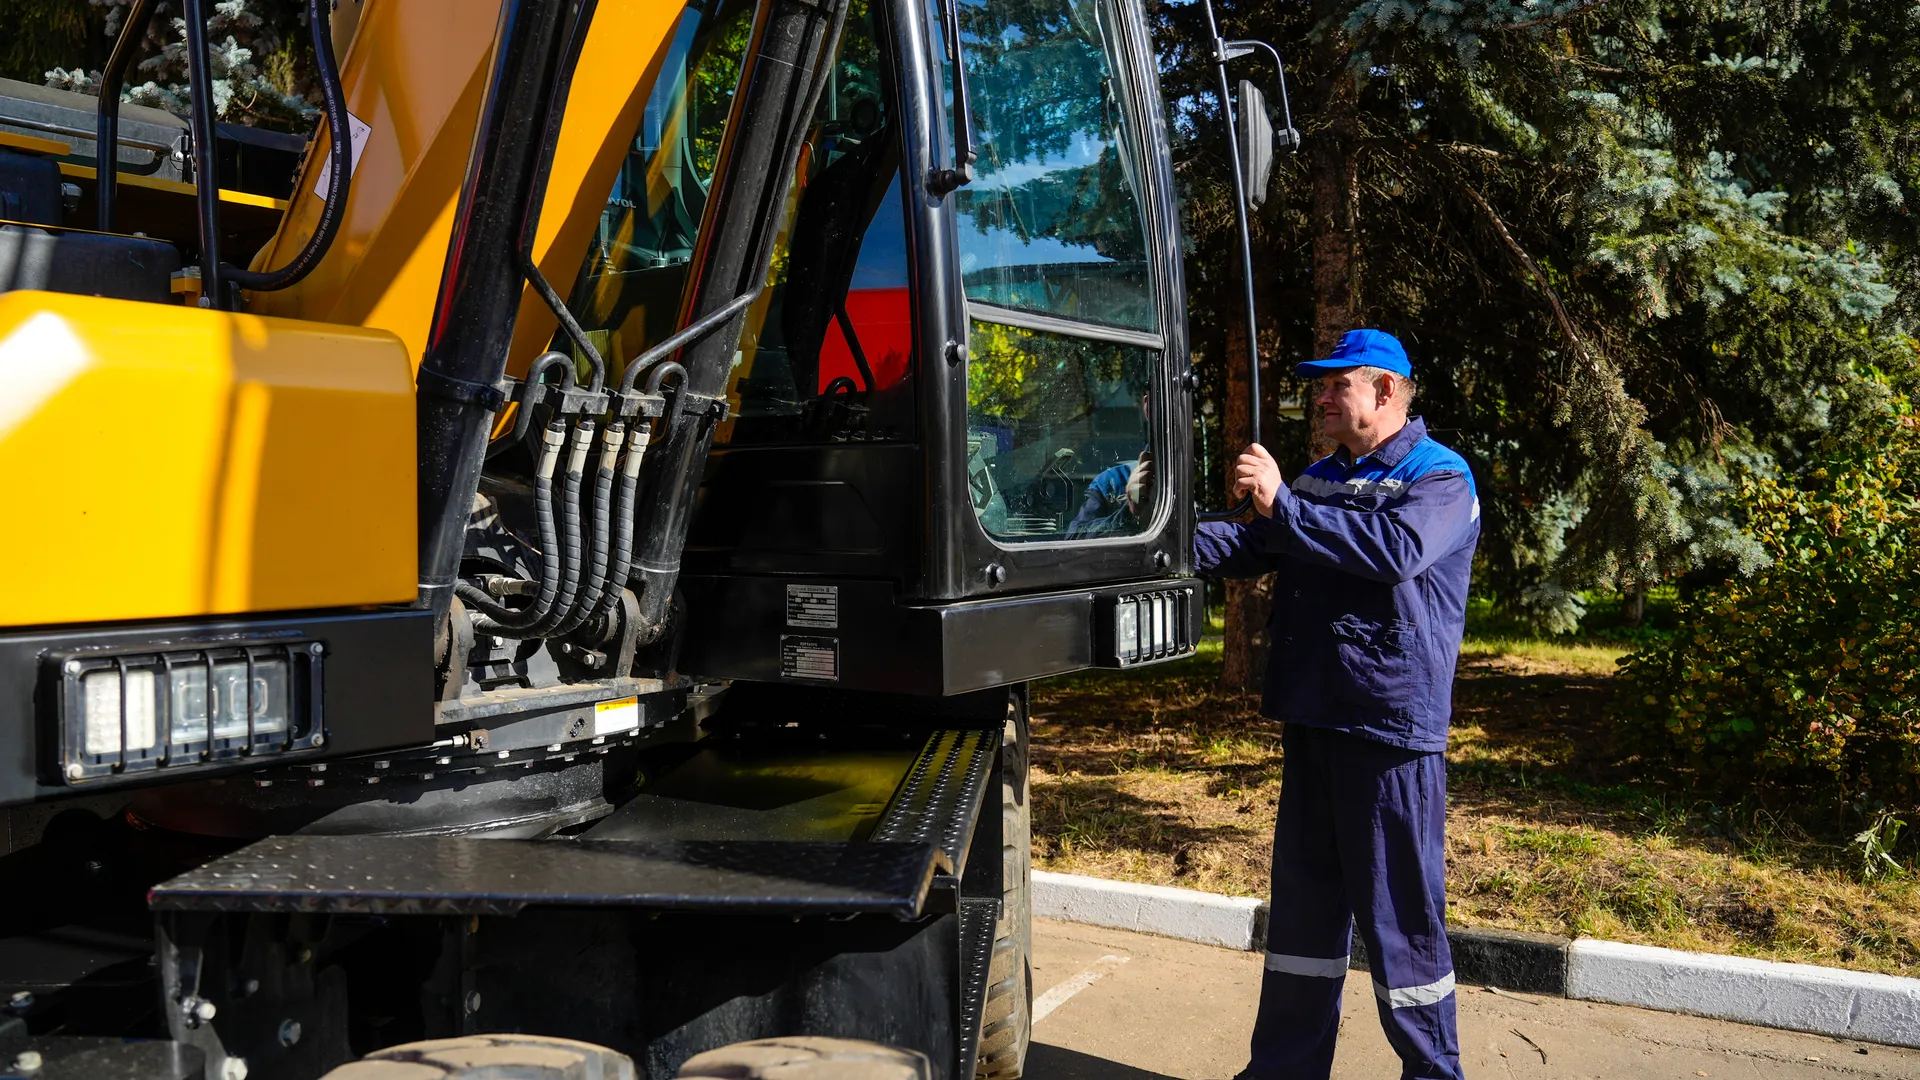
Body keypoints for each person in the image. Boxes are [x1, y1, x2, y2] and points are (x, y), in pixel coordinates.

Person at [1197, 329, 1478, 1080]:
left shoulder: (1440, 477)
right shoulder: (1323, 477)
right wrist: (1149, 537)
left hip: (1387, 732)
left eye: (1335, 385)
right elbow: (1247, 546)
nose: (1319, 398)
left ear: (1385, 390)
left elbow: (1391, 553)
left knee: (1401, 927)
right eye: (1317, 386)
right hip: (1316, 719)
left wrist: (1283, 502)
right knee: (1302, 922)